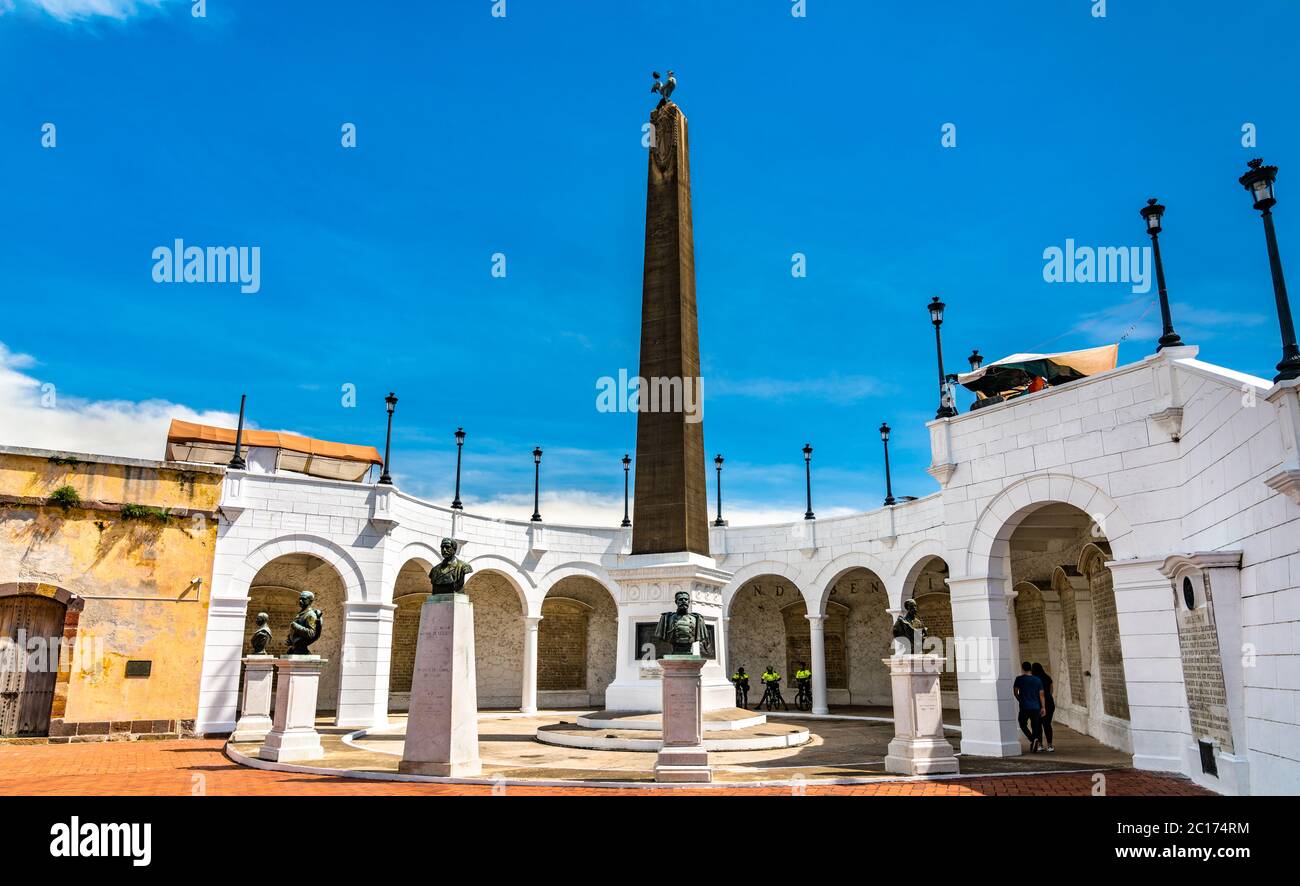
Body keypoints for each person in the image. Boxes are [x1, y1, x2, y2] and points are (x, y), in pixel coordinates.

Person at [1012, 660, 1046, 752]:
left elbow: (1015, 692)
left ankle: (1032, 739)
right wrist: (1043, 707)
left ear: (1022, 668)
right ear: (1030, 669)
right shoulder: (1037, 680)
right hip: (1036, 707)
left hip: (1024, 707)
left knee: (1022, 723)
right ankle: (1035, 739)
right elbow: (1041, 695)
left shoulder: (1019, 679)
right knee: (1035, 726)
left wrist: (1020, 699)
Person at [1031, 662, 1056, 752]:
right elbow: (1051, 691)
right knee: (1047, 724)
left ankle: (1040, 745)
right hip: (1049, 703)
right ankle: (1050, 745)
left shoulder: (1033, 679)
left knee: (1038, 725)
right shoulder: (1048, 678)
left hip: (1037, 704)